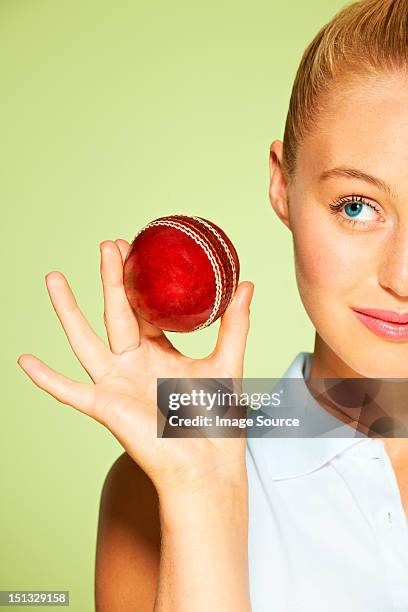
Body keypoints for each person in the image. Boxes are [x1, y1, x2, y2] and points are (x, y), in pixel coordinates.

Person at [17, 0, 408, 610]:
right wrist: (201, 494)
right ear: (284, 185)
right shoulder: (153, 490)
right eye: (356, 206)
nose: (402, 276)